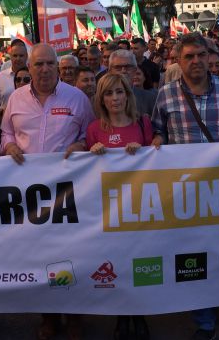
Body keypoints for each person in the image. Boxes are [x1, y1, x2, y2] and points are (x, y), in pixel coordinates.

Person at [0, 43, 95, 340]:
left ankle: (75, 316)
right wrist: (9, 146)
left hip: (69, 194)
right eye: (37, 64)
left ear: (58, 66)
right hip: (31, 196)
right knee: (41, 259)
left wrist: (80, 145)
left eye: (48, 64)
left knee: (72, 255)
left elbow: (89, 134)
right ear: (28, 68)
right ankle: (49, 317)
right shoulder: (15, 99)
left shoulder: (77, 98)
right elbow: (6, 133)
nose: (43, 70)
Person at [150, 34, 219, 340]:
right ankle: (204, 321)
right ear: (178, 61)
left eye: (201, 55)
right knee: (191, 255)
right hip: (185, 193)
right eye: (188, 56)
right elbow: (159, 129)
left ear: (210, 57)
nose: (196, 61)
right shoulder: (165, 95)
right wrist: (158, 141)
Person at [85, 73, 152, 340]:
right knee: (116, 266)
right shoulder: (94, 129)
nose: (115, 98)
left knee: (140, 266)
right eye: (109, 94)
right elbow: (85, 173)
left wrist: (146, 151)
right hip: (108, 213)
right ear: (101, 99)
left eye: (120, 92)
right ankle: (122, 316)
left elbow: (157, 163)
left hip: (139, 209)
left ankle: (140, 316)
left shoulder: (143, 124)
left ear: (128, 95)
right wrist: (91, 153)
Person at [108, 49, 156, 117]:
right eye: (118, 67)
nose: (123, 71)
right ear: (110, 71)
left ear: (135, 70)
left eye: (128, 67)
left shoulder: (150, 98)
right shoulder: (101, 99)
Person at [0, 39, 28, 110]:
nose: (18, 58)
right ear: (10, 57)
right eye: (15, 56)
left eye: (21, 55)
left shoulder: (34, 76)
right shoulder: (0, 77)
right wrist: (1, 110)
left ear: (26, 56)